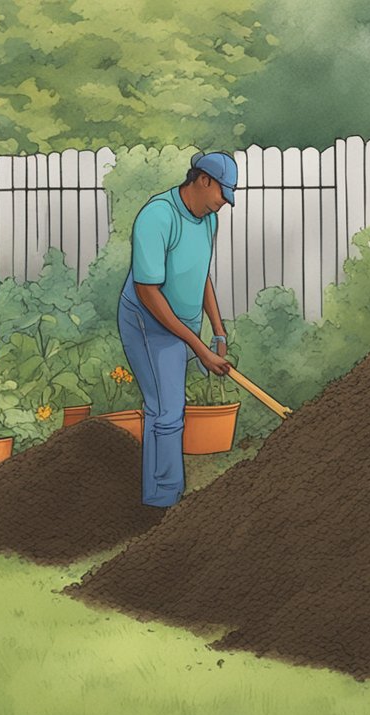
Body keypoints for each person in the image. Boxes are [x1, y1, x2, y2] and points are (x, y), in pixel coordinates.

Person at [118, 151, 236, 507]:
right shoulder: (157, 217)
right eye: (221, 194)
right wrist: (198, 347)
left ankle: (161, 496)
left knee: (166, 407)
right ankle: (162, 503)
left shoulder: (208, 219)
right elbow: (148, 292)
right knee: (166, 410)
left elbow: (201, 277)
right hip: (148, 322)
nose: (222, 204)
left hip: (183, 324)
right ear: (204, 180)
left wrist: (217, 332)